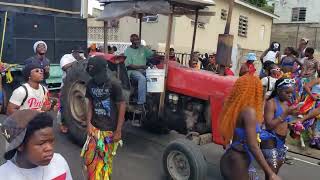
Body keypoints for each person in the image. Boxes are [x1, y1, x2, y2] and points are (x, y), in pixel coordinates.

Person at [219, 74, 281, 180]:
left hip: (233, 158)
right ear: (255, 91)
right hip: (238, 162)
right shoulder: (249, 112)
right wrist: (270, 173)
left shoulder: (235, 108)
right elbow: (253, 146)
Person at [81, 56, 126, 180]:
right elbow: (90, 104)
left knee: (105, 163)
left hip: (109, 131)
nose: (97, 79)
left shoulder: (114, 84)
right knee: (90, 161)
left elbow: (122, 106)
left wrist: (118, 130)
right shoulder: (90, 84)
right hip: (94, 128)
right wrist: (89, 124)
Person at [0, 110, 73, 179]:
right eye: (41, 143)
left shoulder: (59, 162)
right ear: (20, 145)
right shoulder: (4, 175)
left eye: (51, 141)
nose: (49, 148)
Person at [261, 78, 298, 178]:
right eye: (287, 92)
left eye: (291, 93)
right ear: (278, 90)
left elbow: (286, 123)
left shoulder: (286, 104)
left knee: (274, 171)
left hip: (281, 142)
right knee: (272, 171)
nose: (290, 95)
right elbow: (269, 125)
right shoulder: (271, 103)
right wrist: (285, 114)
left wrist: (294, 128)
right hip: (270, 140)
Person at [58, 46, 85, 133]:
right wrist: (76, 62)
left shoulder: (82, 58)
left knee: (72, 107)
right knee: (62, 106)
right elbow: (64, 67)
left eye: (81, 52)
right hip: (66, 85)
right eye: (78, 52)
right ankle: (62, 124)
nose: (80, 54)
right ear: (73, 52)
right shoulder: (66, 57)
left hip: (77, 85)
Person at [124, 34, 154, 107]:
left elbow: (152, 55)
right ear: (131, 41)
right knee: (142, 79)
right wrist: (142, 66)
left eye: (138, 40)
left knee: (154, 76)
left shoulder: (142, 48)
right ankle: (141, 103)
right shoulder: (128, 51)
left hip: (143, 70)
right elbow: (129, 65)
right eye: (135, 40)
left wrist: (157, 57)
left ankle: (150, 98)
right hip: (132, 71)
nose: (137, 42)